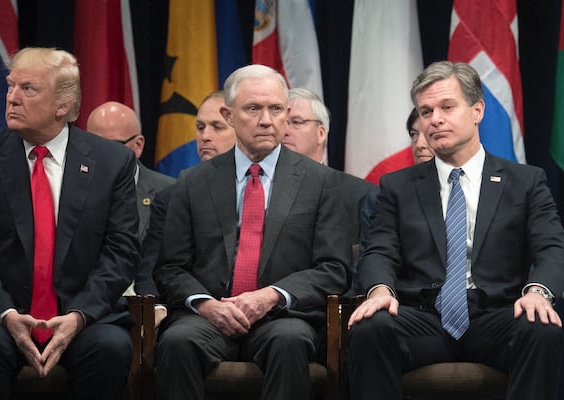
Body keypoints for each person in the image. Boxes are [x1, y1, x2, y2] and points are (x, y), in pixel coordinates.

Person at [347, 60, 564, 400]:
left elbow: (552, 247)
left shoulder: (526, 182)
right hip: (423, 317)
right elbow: (379, 249)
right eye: (425, 111)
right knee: (370, 328)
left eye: (447, 107)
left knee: (542, 328)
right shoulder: (397, 186)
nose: (434, 119)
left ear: (477, 110)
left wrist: (537, 291)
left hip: (496, 315)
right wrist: (379, 291)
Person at [152, 64, 351, 400]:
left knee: (290, 341)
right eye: (253, 109)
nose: (266, 120)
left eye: (275, 109)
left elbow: (334, 268)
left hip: (283, 315)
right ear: (229, 115)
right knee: (175, 341)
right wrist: (205, 305)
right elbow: (170, 267)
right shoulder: (193, 182)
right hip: (209, 314)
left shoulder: (321, 182)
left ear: (287, 114)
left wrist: (270, 295)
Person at [0, 47, 140, 400]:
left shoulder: (112, 162)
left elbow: (121, 251)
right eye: (11, 86)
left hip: (84, 313)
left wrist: (79, 315)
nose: (12, 97)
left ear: (63, 105)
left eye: (28, 89)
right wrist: (7, 314)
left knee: (110, 348)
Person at [136, 91, 236, 327]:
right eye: (200, 127)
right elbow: (151, 266)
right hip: (192, 313)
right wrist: (157, 308)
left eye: (217, 127)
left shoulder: (262, 190)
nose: (205, 136)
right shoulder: (172, 196)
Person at [284, 87, 378, 246]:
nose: (285, 131)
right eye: (281, 123)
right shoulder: (260, 188)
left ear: (321, 133)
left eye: (296, 122)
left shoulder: (361, 195)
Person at [86, 101, 176, 244]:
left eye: (113, 146)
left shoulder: (170, 193)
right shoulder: (72, 189)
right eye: (94, 145)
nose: (102, 154)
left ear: (138, 145)